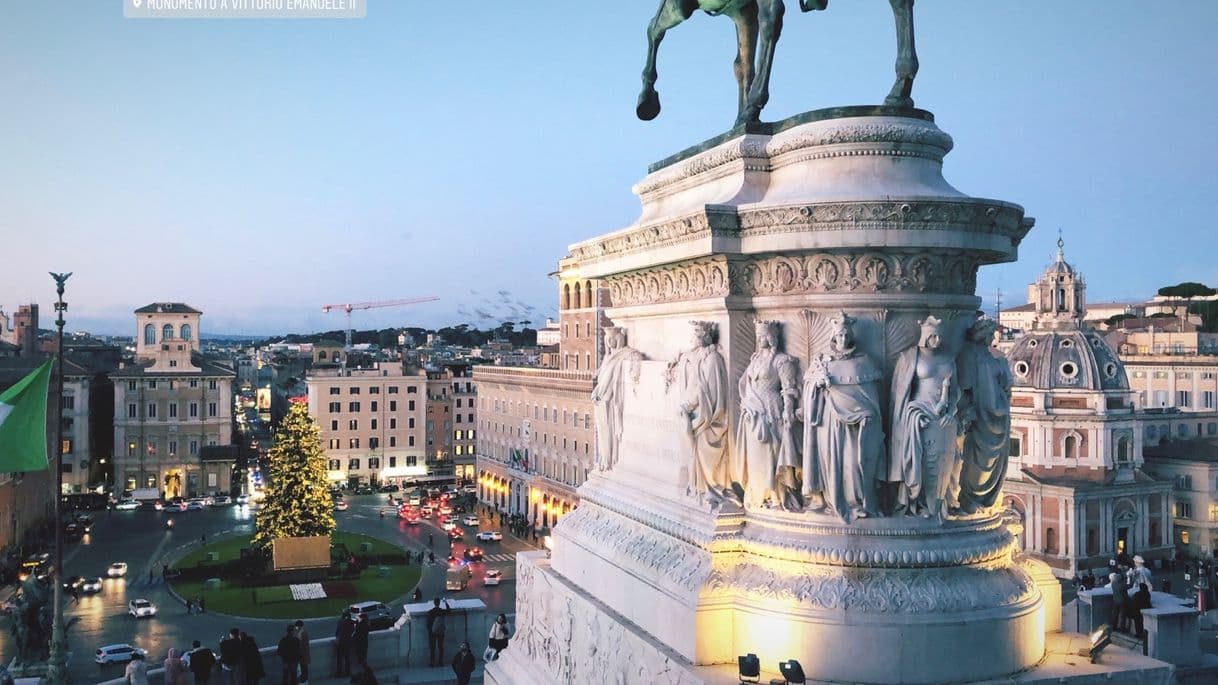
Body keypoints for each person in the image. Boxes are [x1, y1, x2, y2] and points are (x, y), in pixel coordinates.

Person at [801, 312, 885, 521]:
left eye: (846, 335)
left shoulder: (863, 362)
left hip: (859, 424)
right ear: (833, 336)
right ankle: (828, 498)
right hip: (829, 421)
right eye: (839, 335)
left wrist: (868, 415)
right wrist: (818, 385)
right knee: (831, 462)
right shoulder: (821, 362)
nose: (843, 339)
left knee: (854, 464)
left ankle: (856, 502)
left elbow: (871, 397)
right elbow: (809, 392)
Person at [735, 321, 801, 510]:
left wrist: (788, 411)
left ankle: (777, 496)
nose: (760, 338)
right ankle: (759, 494)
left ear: (772, 337)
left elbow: (789, 389)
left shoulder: (782, 360)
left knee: (772, 452)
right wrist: (748, 403)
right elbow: (746, 383)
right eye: (758, 335)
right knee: (756, 455)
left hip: (772, 408)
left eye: (764, 335)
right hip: (753, 410)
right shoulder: (755, 359)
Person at [426, 597, 450, 667]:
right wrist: (445, 602)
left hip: (432, 632)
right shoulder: (441, 611)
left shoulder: (431, 612)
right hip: (440, 631)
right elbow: (449, 611)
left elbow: (428, 623)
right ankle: (440, 662)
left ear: (434, 603)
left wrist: (430, 632)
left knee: (432, 648)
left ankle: (432, 662)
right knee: (440, 647)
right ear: (439, 603)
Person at [334, 611, 355, 678]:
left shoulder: (340, 622)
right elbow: (352, 631)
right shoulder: (351, 622)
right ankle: (347, 672)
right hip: (347, 642)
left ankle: (338, 673)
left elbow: (337, 633)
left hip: (340, 642)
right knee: (347, 658)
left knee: (339, 659)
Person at [1109, 566, 1130, 633]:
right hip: (1122, 601)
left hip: (1115, 600)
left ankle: (1113, 626)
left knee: (1115, 614)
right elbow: (1128, 586)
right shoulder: (1122, 585)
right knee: (1122, 615)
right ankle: (1122, 628)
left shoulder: (1113, 584)